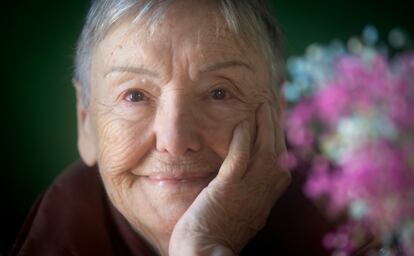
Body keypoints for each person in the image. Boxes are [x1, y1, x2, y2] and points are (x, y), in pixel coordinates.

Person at [11, 0, 334, 255]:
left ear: (279, 114)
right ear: (85, 122)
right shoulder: (55, 240)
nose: (175, 140)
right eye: (135, 95)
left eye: (219, 93)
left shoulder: (357, 231)